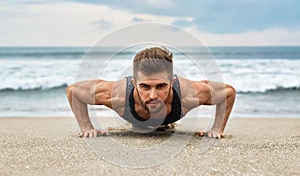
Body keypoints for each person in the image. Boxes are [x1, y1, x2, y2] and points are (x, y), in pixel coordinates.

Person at [66, 47, 236, 139]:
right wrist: (87, 127)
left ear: (172, 82)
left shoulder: (188, 95)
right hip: (136, 119)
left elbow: (228, 92)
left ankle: (165, 123)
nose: (153, 95)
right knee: (139, 125)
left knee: (161, 123)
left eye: (161, 86)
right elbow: (74, 91)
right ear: (134, 83)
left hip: (169, 115)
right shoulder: (118, 96)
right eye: (145, 86)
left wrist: (217, 129)